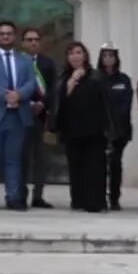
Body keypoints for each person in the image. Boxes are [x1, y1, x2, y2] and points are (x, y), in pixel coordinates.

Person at [0, 21, 37, 211]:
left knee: (14, 158)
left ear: (14, 36)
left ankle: (13, 197)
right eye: (2, 34)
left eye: (9, 33)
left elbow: (31, 82)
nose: (5, 37)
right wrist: (5, 95)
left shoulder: (25, 59)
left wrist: (19, 95)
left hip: (17, 115)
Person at [49, 41, 110, 213]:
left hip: (94, 130)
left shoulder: (96, 76)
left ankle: (96, 202)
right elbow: (59, 103)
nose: (75, 56)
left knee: (95, 167)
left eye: (78, 52)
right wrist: (72, 80)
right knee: (76, 166)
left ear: (85, 55)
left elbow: (105, 103)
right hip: (72, 129)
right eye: (71, 53)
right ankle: (78, 200)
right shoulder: (63, 78)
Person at [20, 28, 58, 208]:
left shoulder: (47, 63)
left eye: (36, 39)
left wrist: (44, 104)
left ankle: (38, 196)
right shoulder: (16, 61)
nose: (33, 43)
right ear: (23, 43)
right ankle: (20, 194)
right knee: (22, 157)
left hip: (42, 117)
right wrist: (26, 104)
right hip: (20, 115)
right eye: (29, 40)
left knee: (41, 158)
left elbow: (53, 89)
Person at [97, 43, 133, 211]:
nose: (108, 59)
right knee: (99, 165)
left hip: (120, 129)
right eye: (105, 55)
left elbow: (126, 105)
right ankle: (99, 197)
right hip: (100, 129)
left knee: (116, 164)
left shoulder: (123, 79)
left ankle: (115, 198)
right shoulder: (95, 78)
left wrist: (117, 128)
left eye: (112, 55)